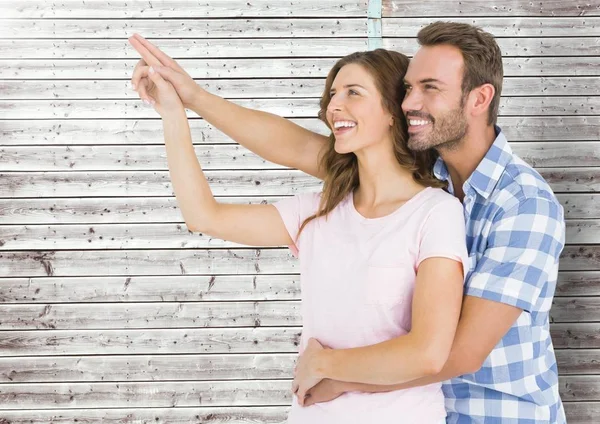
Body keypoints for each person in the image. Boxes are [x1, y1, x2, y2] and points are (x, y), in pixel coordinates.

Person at [129, 20, 567, 423]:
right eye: (409, 88)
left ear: (479, 99)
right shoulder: (421, 172)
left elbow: (458, 353)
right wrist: (190, 98)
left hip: (500, 415)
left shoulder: (523, 205)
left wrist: (332, 373)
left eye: (429, 88)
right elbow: (295, 147)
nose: (411, 100)